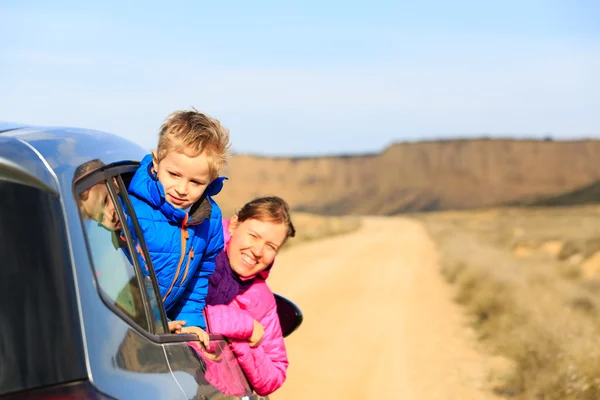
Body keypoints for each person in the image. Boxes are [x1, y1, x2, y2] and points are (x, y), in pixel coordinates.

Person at [124, 109, 230, 334]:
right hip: (123, 319)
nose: (182, 190)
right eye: (173, 174)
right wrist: (149, 318)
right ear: (156, 161)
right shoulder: (132, 209)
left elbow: (198, 278)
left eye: (196, 182)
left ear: (210, 181)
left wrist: (190, 323)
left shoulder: (210, 221)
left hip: (159, 328)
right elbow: (114, 272)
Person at [202, 196, 296, 396]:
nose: (258, 251)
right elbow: (174, 315)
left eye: (271, 246)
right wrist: (244, 325)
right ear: (235, 224)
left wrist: (238, 340)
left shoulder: (262, 299)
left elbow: (275, 376)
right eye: (253, 235)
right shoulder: (196, 249)